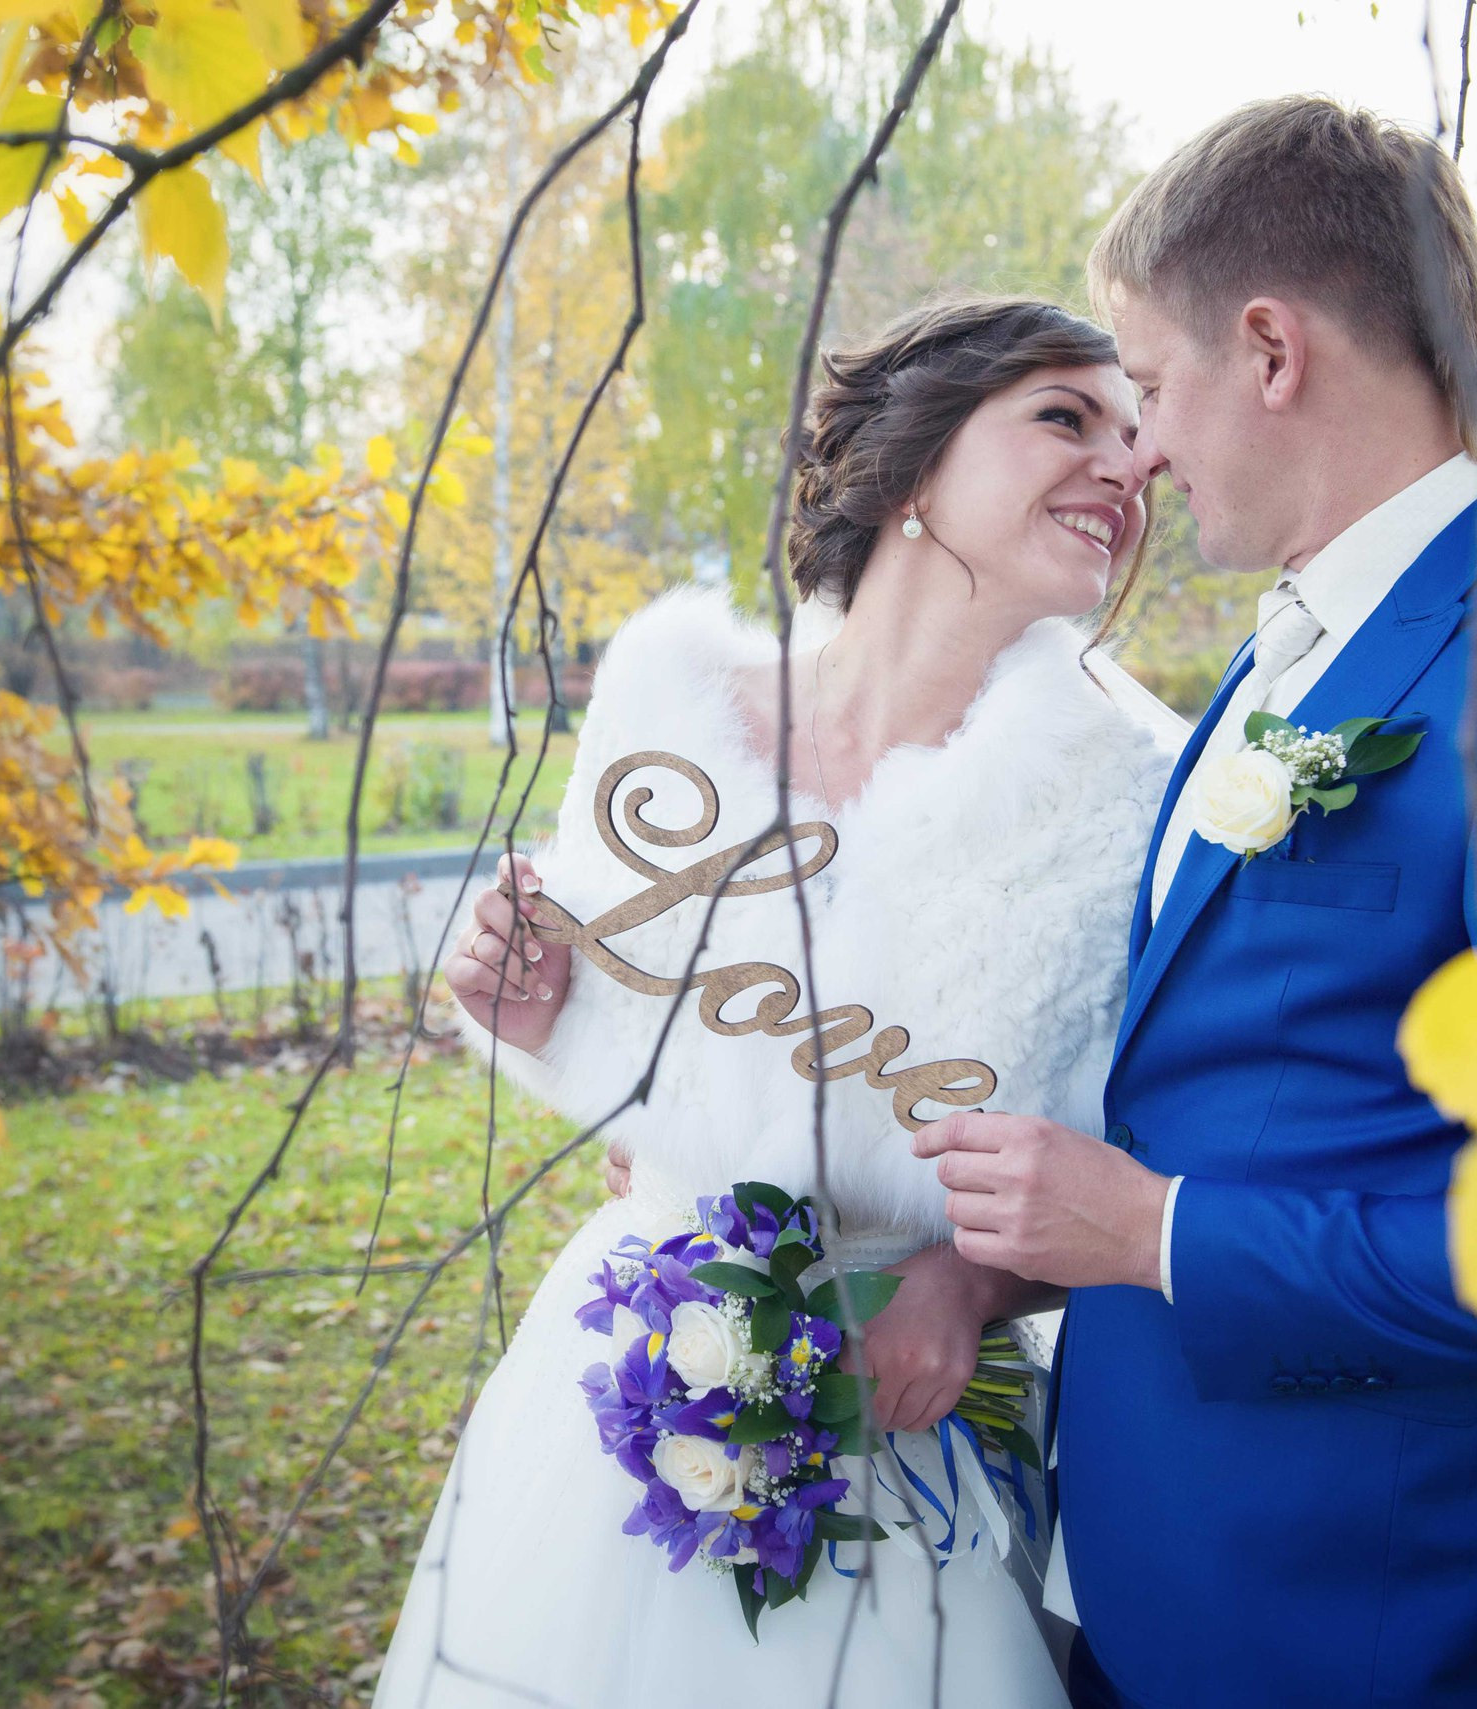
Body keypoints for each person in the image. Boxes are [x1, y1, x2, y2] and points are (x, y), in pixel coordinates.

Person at [908, 98, 1477, 1707]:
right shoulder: (1268, 662)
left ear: (1271, 349)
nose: (1144, 452)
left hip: (1379, 1640)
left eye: (1154, 386)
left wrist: (1160, 1233)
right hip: (1127, 1586)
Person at [369, 293, 1186, 1708]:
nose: (1127, 463)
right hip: (634, 1380)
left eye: (1139, 432)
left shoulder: (1131, 789)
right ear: (917, 456)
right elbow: (608, 1051)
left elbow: (1141, 1144)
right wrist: (517, 988)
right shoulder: (669, 704)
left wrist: (967, 1282)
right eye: (1067, 417)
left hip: (913, 1414)